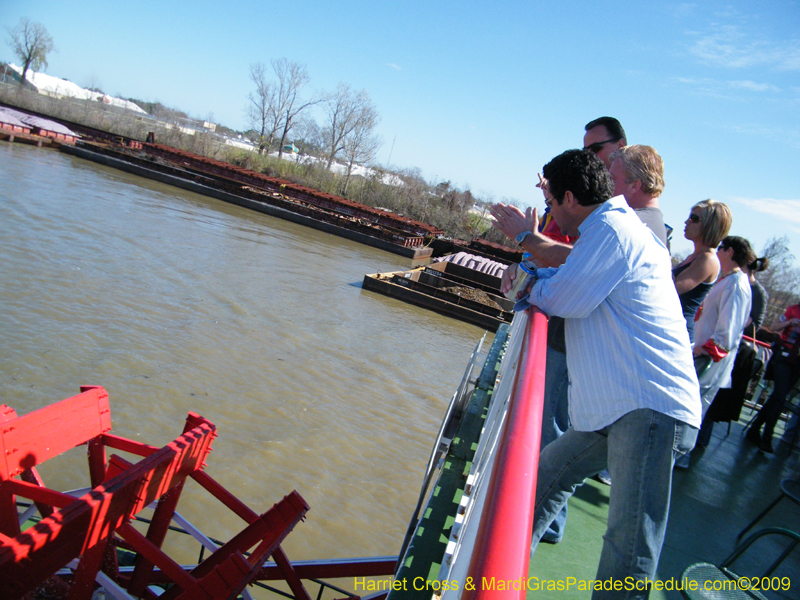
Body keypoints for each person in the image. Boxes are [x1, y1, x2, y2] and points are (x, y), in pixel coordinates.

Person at [491, 149, 700, 598]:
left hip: (649, 407)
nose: (551, 213)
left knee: (629, 543)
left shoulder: (613, 230)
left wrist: (526, 281)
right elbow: (566, 283)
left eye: (551, 203)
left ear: (569, 198)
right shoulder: (606, 229)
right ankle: (497, 577)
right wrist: (532, 277)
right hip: (617, 405)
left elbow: (565, 298)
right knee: (546, 476)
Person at [691, 237, 754, 448]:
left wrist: (708, 349)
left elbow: (729, 326)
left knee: (694, 411)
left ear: (730, 252)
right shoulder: (728, 280)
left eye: (721, 248)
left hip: (709, 362)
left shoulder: (736, 284)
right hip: (701, 355)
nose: (717, 252)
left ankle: (680, 457)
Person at [701, 256, 769, 437]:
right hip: (715, 342)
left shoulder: (747, 288)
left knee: (711, 393)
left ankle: (700, 439)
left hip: (728, 350)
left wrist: (738, 315)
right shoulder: (731, 281)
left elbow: (753, 325)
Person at [672, 200, 732, 342]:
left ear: (710, 226)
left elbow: (670, 289)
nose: (687, 222)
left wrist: (662, 253)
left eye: (694, 218)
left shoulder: (708, 260)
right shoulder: (695, 257)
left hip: (677, 335)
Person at [746, 302, 800, 453]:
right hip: (783, 356)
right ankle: (767, 436)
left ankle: (754, 429)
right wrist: (789, 323)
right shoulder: (793, 310)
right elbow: (775, 326)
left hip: (797, 361)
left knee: (778, 397)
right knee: (780, 396)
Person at [608, 145, 668, 246]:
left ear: (634, 186)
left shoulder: (627, 223)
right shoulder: (653, 223)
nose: (607, 185)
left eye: (612, 179)